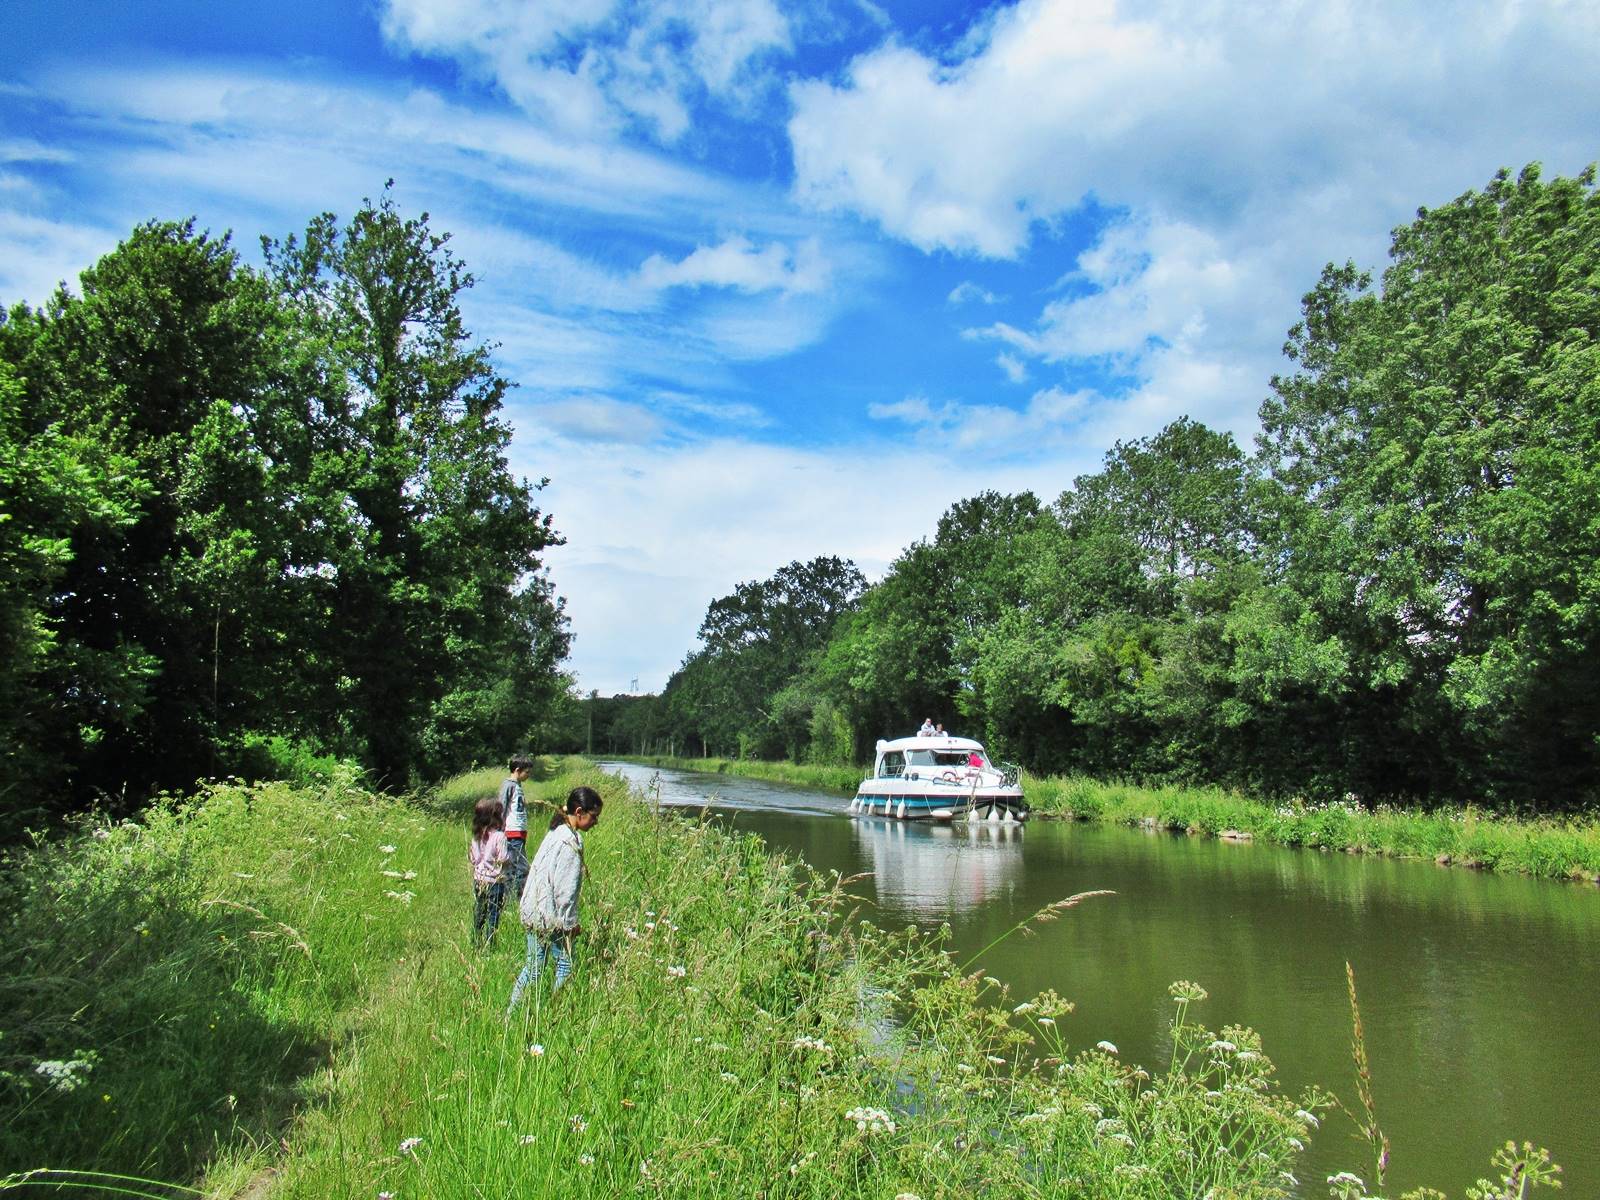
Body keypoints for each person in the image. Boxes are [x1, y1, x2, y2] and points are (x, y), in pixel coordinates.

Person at [507, 785, 604, 1012]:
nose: (596, 822)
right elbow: (565, 893)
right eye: (594, 816)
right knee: (565, 964)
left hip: (533, 909)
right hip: (549, 915)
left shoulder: (556, 831)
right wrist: (570, 925)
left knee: (533, 968)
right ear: (579, 812)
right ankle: (555, 1013)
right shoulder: (570, 844)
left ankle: (511, 1014)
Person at [468, 795, 510, 947]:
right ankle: (490, 942)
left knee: (480, 910)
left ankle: (475, 939)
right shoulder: (500, 837)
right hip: (495, 880)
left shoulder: (476, 837)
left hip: (479, 879)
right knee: (494, 913)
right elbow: (503, 858)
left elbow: (473, 859)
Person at [500, 756, 535, 904]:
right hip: (512, 833)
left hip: (519, 833)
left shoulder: (518, 786)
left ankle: (513, 898)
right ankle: (515, 899)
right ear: (517, 770)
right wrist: (499, 828)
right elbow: (501, 806)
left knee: (516, 867)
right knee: (520, 868)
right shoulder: (509, 785)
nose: (528, 775)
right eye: (527, 772)